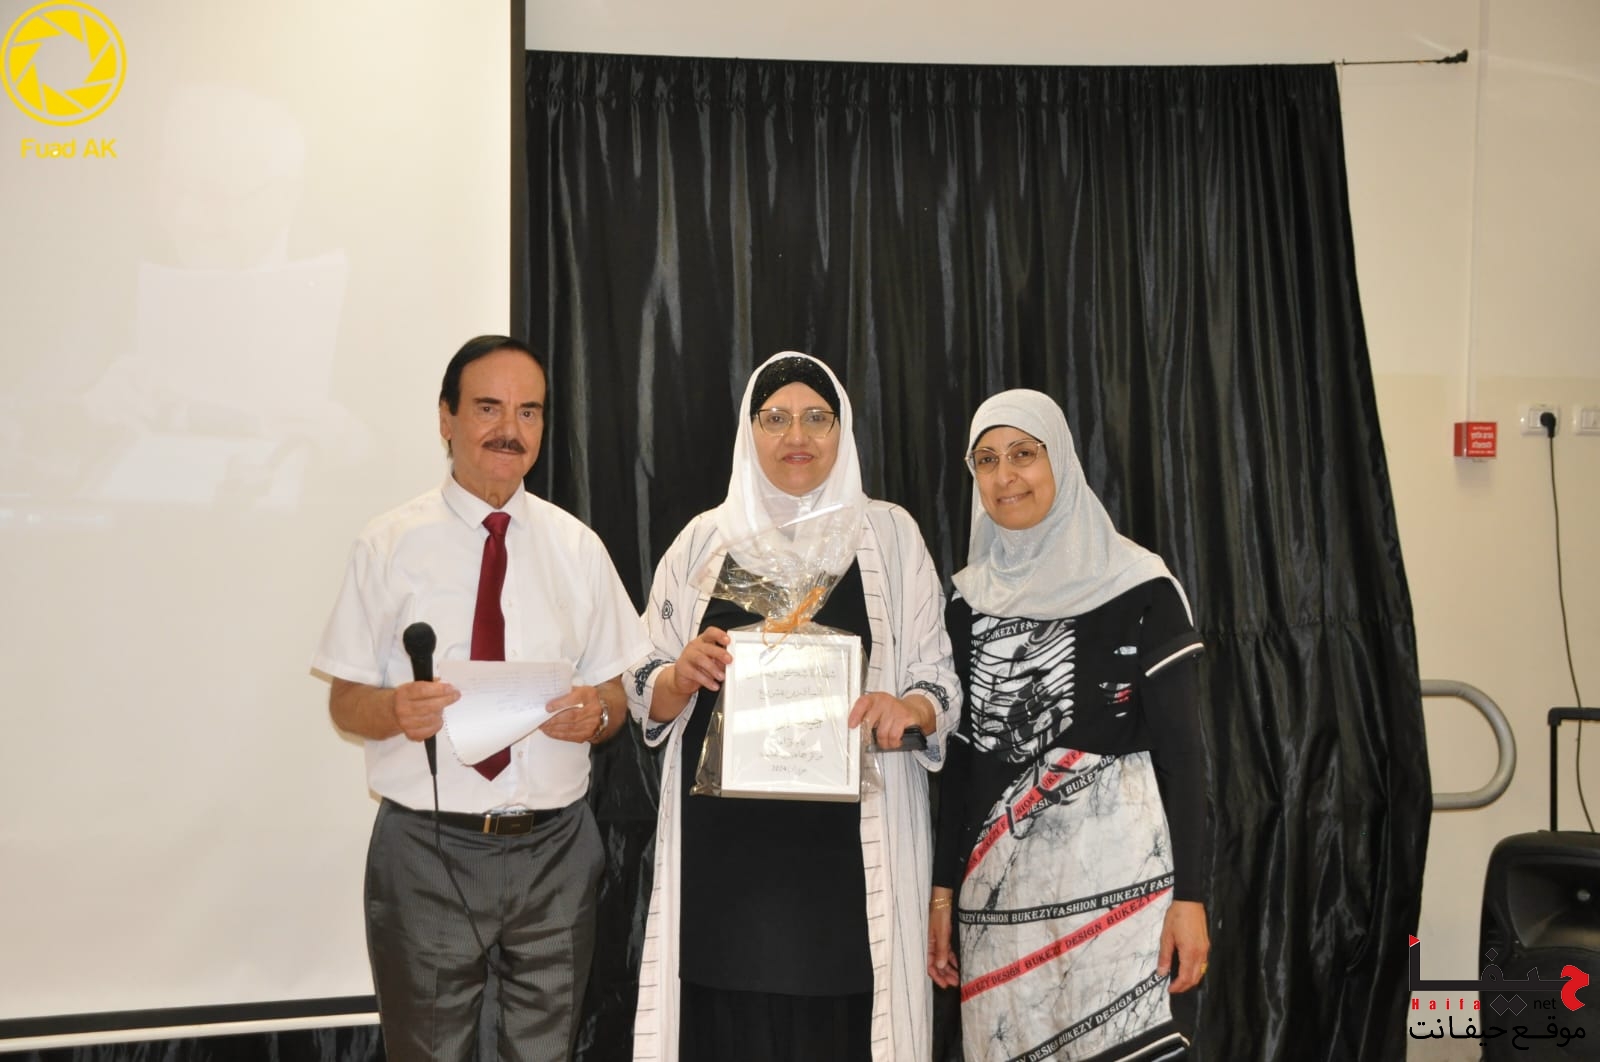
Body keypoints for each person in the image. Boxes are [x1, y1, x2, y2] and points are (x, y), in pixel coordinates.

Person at [312, 335, 651, 1062]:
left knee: (545, 1051)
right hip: (429, 847)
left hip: (557, 848)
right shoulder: (387, 544)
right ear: (446, 417)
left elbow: (616, 694)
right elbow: (344, 701)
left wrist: (598, 714)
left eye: (529, 412)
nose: (510, 430)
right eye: (489, 408)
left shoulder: (577, 547)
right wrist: (393, 710)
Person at [625, 351, 962, 1062]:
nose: (796, 436)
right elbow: (642, 679)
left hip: (850, 866)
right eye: (775, 418)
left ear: (843, 430)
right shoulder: (703, 541)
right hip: (727, 869)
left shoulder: (889, 536)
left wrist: (909, 708)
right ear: (749, 431)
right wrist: (679, 676)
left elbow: (939, 683)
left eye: (816, 417)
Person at [928, 389, 1212, 1062]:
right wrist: (942, 896)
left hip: (1118, 898)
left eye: (1024, 454)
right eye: (987, 460)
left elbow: (1184, 759)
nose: (1006, 476)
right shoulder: (967, 602)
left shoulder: (1139, 587)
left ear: (1060, 460)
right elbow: (963, 766)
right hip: (998, 903)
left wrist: (1192, 898)